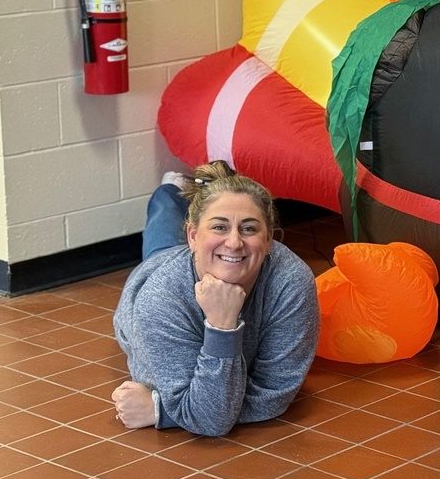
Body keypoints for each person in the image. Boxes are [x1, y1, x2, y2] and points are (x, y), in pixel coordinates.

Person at [112, 161, 318, 436]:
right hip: (156, 274)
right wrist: (222, 326)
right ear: (193, 236)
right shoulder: (160, 298)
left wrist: (165, 411)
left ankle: (182, 200)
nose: (234, 242)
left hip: (201, 259)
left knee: (173, 246)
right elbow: (210, 419)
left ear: (269, 240)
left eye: (249, 229)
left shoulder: (291, 280)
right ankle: (168, 192)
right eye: (220, 227)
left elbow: (274, 393)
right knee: (159, 245)